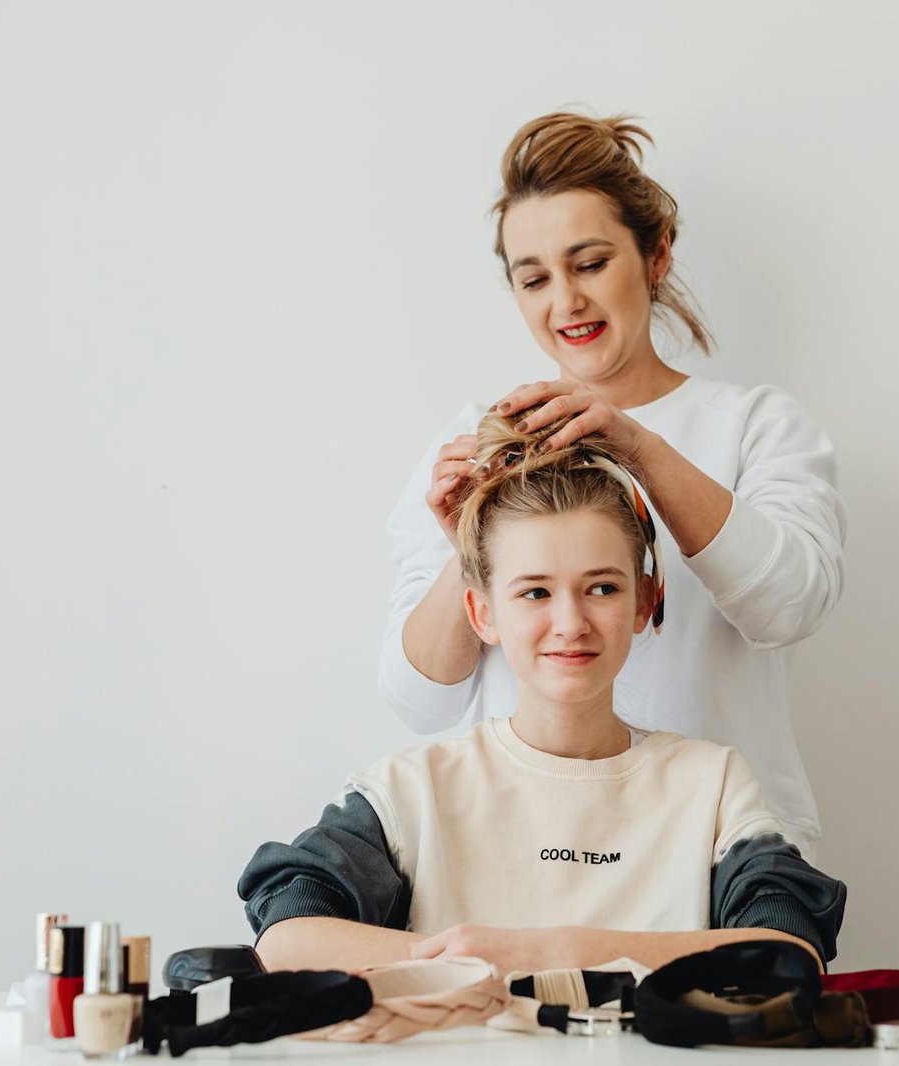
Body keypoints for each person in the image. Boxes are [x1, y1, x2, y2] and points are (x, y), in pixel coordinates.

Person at [380, 112, 847, 854]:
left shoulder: (756, 424)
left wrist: (638, 445)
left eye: (590, 263)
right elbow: (419, 700)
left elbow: (789, 606)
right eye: (534, 278)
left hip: (726, 852)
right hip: (532, 850)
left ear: (656, 255)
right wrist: (462, 548)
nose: (564, 301)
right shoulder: (477, 436)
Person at [240, 416, 845, 976]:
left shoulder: (712, 784)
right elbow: (287, 939)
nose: (570, 622)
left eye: (602, 588)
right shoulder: (413, 791)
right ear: (482, 613)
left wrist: (553, 950)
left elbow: (787, 954)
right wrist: (479, 962)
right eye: (534, 593)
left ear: (644, 601)